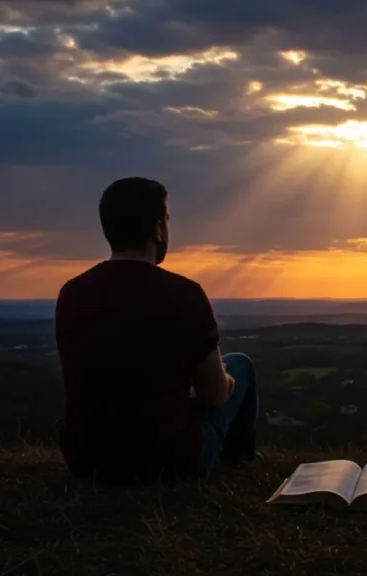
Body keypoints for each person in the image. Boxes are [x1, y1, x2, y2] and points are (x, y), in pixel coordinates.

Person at [55, 177, 258, 482]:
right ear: (157, 229)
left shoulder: (72, 292)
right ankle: (238, 463)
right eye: (166, 218)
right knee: (240, 365)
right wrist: (226, 379)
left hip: (87, 462)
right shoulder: (184, 294)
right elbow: (214, 397)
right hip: (166, 462)